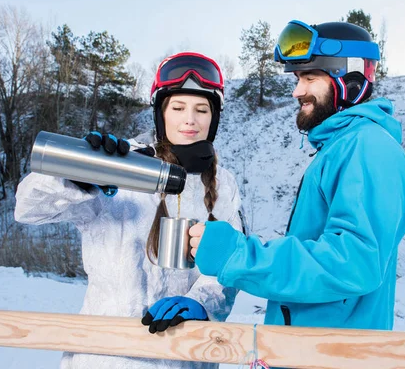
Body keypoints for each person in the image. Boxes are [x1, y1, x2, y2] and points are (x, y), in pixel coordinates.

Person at [14, 52, 245, 369]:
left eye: (201, 109)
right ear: (160, 114)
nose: (189, 119)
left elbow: (229, 269)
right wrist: (78, 175)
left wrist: (200, 302)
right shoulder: (118, 165)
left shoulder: (223, 186)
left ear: (214, 118)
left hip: (182, 357)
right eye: (177, 108)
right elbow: (28, 208)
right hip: (104, 357)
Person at [188, 21, 405, 331]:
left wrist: (238, 255)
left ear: (349, 80)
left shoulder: (367, 147)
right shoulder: (340, 148)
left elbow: (353, 262)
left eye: (309, 78)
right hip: (309, 352)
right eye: (297, 78)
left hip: (334, 357)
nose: (297, 91)